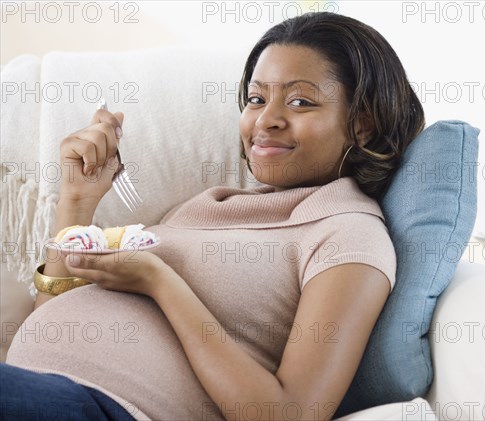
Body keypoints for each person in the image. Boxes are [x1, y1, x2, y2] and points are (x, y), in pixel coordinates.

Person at [1, 11, 424, 421]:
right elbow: (48, 322)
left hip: (104, 406)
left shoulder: (349, 234)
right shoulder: (208, 205)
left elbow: (292, 412)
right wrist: (77, 202)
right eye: (257, 99)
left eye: (299, 102)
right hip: (35, 385)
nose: (266, 120)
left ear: (362, 125)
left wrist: (161, 283)